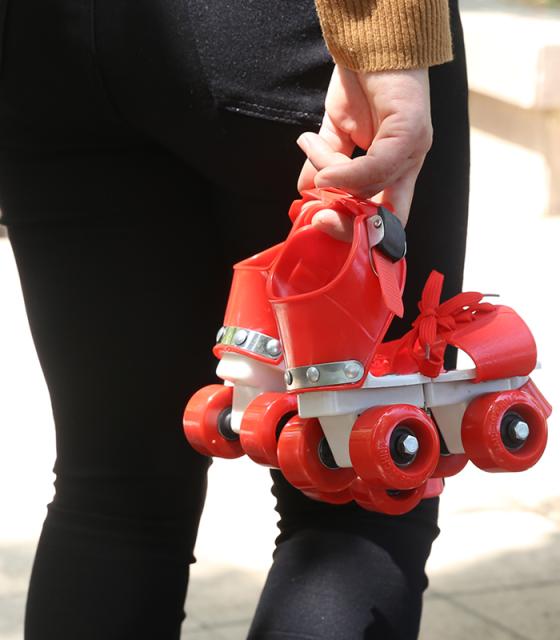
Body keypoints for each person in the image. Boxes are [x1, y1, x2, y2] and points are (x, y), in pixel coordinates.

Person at [0, 0, 470, 637]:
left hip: (45, 48)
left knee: (114, 494)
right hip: (277, 32)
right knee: (361, 489)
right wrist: (387, 41)